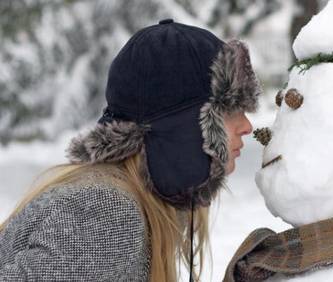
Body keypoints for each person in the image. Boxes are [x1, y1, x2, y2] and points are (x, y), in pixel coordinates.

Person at [0, 18, 261, 281]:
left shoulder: (134, 205)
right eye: (229, 109)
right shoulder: (106, 214)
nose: (247, 126)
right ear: (184, 130)